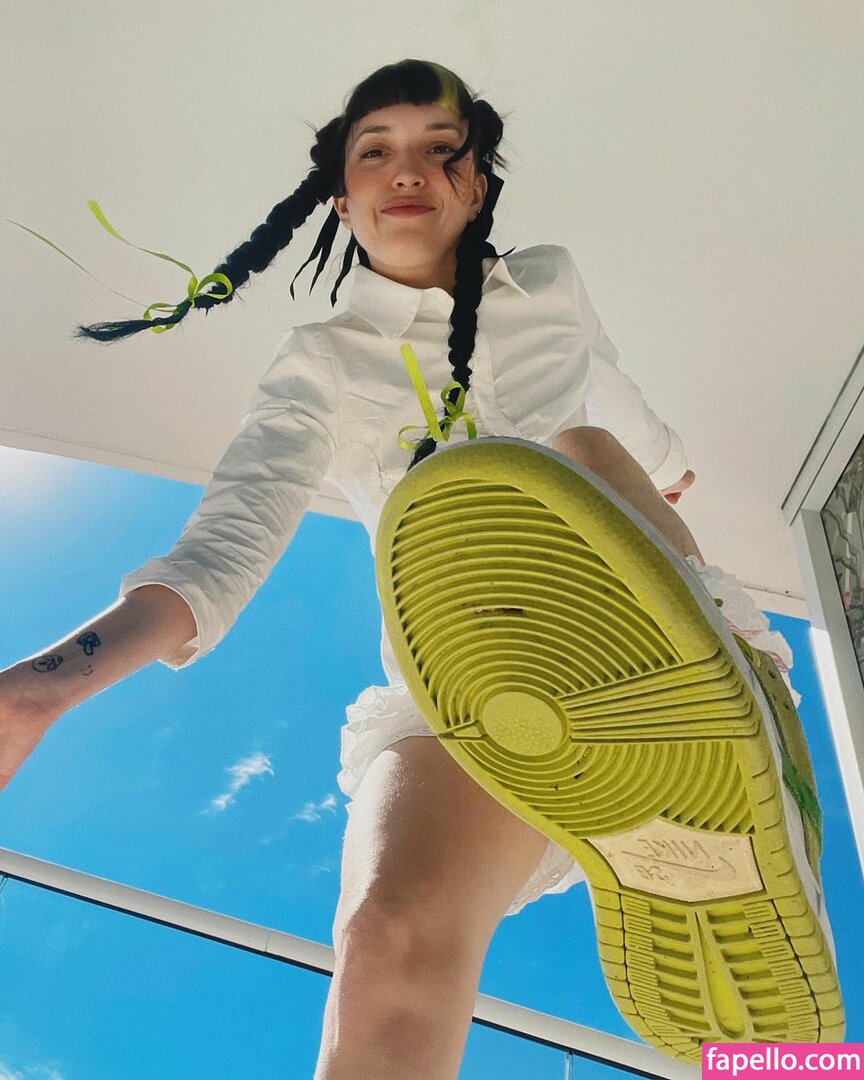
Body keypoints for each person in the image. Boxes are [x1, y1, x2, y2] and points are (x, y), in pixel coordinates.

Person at [0, 59, 843, 1076]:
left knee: (580, 449)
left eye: (440, 151)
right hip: (476, 685)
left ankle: (726, 744)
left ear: (476, 187)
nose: (408, 170)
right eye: (376, 151)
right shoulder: (318, 363)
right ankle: (670, 827)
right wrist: (40, 691)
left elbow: (606, 378)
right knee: (382, 940)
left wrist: (664, 461)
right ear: (340, 195)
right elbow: (230, 538)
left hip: (634, 632)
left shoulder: (549, 282)